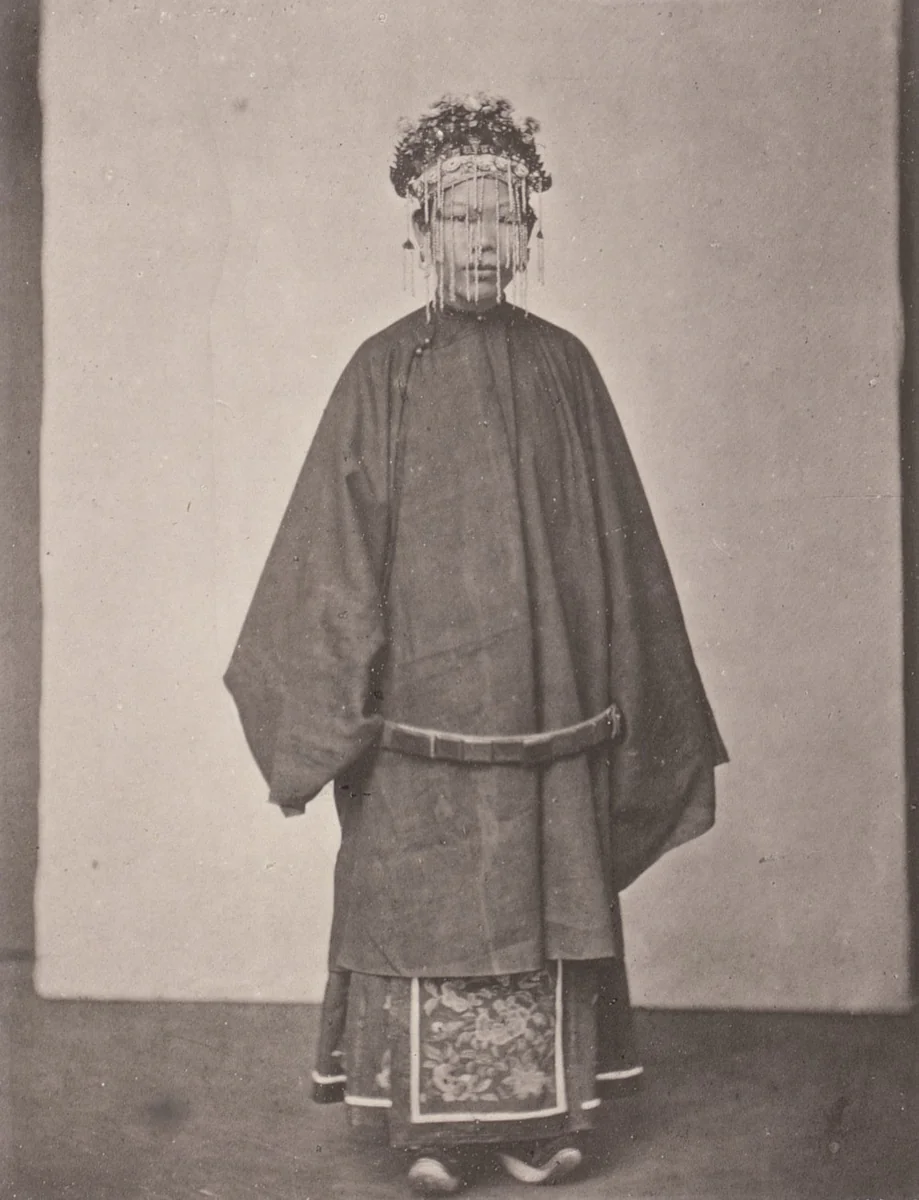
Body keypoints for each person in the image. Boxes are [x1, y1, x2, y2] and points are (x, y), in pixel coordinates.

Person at [224, 93, 727, 1195]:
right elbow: (330, 556)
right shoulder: (379, 374)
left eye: (506, 218)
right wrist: (316, 727)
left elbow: (620, 552)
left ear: (530, 235)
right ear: (417, 232)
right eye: (461, 218)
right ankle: (431, 1133)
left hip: (550, 709)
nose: (486, 242)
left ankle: (540, 1123)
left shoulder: (565, 369)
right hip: (416, 720)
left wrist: (635, 703)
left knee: (542, 904)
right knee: (429, 906)